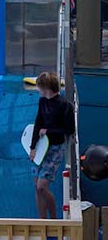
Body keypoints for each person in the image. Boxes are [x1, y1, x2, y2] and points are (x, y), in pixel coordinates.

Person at [29, 71, 75, 219]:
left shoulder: (64, 105)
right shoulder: (43, 102)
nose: (38, 90)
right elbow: (38, 122)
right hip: (42, 147)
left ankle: (54, 219)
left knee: (42, 186)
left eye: (39, 87)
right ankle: (42, 220)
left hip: (55, 148)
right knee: (37, 187)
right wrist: (32, 147)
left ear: (46, 88)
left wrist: (48, 131)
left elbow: (68, 130)